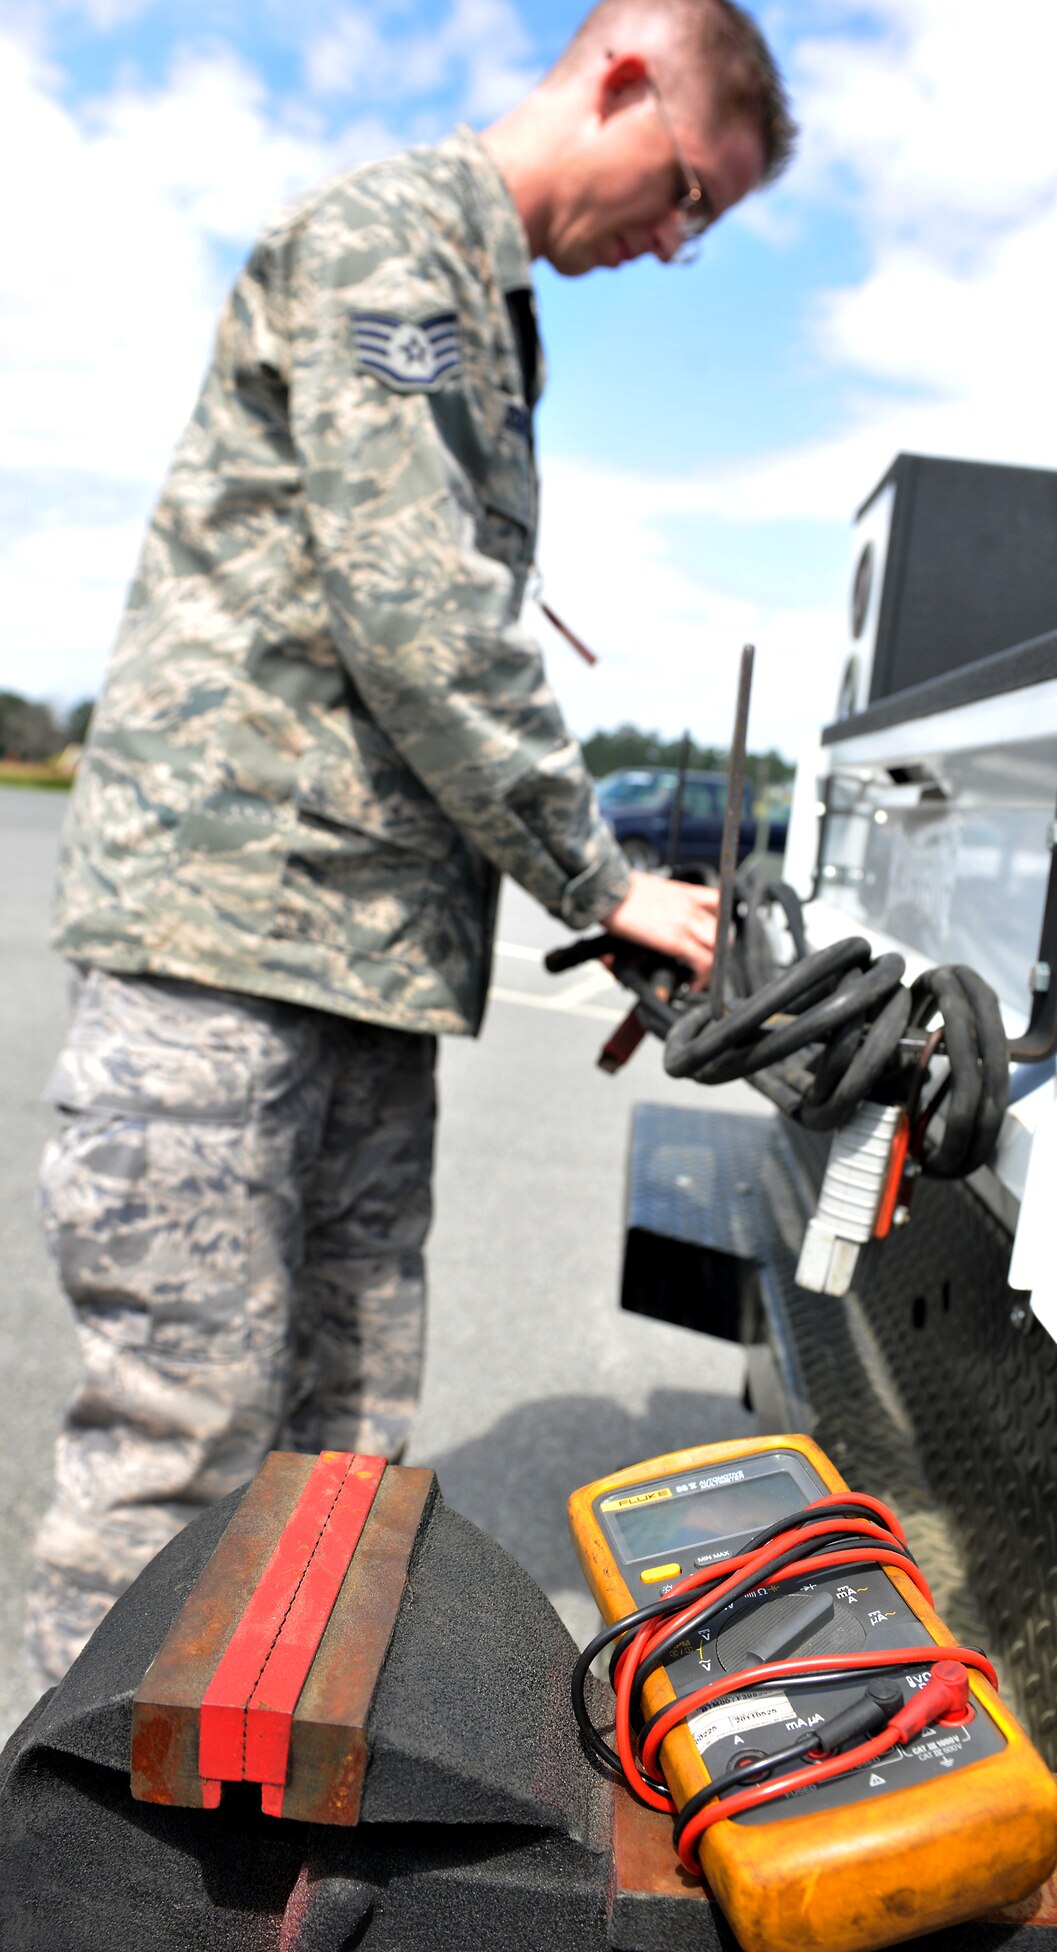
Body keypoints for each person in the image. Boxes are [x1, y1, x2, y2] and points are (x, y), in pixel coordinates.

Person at [27, 0, 797, 1685]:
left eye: (705, 225)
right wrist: (605, 883)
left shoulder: (493, 316)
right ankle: (63, 1886)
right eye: (685, 191)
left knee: (342, 1455)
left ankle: (270, 1884)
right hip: (226, 941)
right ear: (617, 78)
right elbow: (418, 614)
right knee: (177, 1465)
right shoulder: (394, 242)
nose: (674, 246)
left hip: (362, 960)